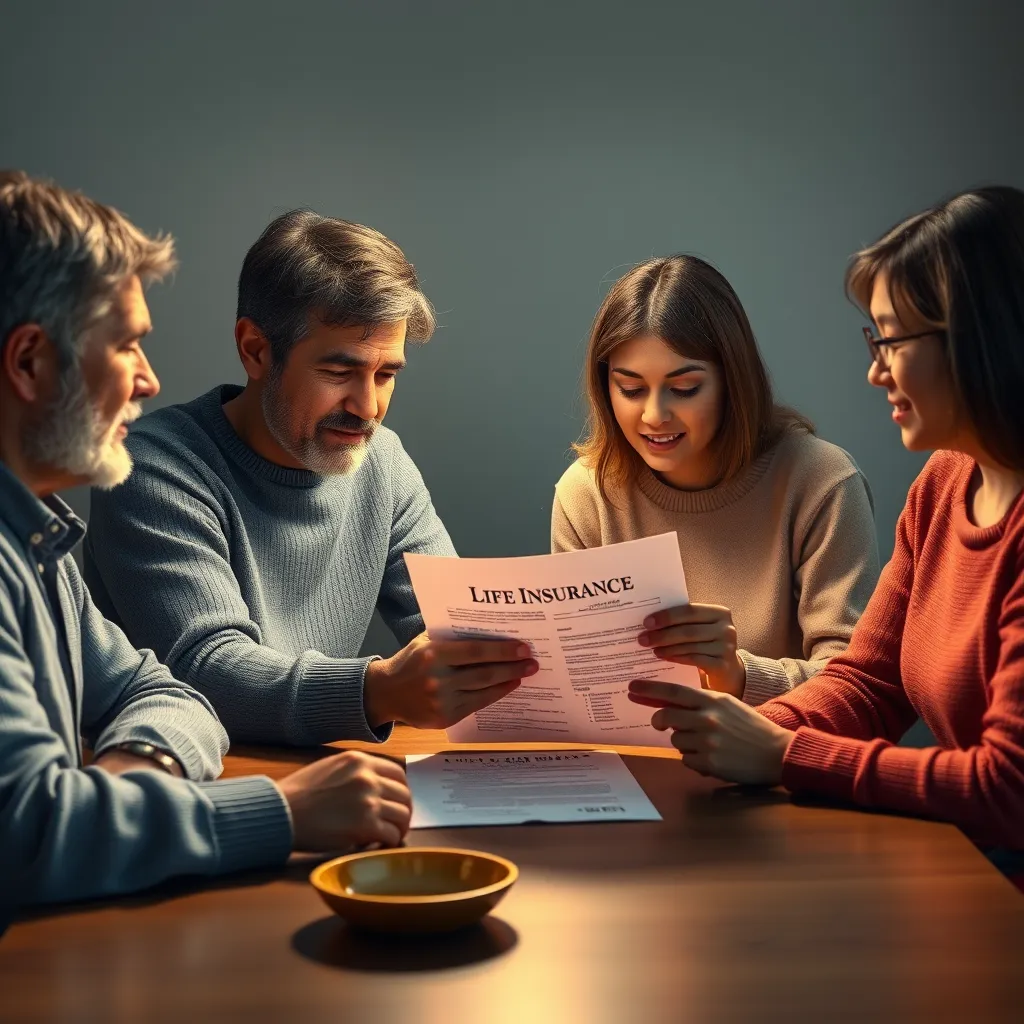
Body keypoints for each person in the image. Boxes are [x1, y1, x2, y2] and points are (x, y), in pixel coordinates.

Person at [0, 171, 414, 909]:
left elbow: (158, 688)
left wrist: (132, 781)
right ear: (29, 362)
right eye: (127, 345)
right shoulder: (137, 475)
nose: (149, 380)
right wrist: (282, 814)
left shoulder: (40, 536)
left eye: (387, 374)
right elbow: (33, 835)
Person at [628, 187, 1024, 868]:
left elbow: (1008, 789)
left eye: (892, 341)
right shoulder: (945, 483)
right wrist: (740, 734)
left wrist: (784, 754)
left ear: (978, 338)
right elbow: (871, 683)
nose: (875, 371)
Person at [84, 209, 537, 746]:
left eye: (386, 374)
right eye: (339, 372)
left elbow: (452, 625)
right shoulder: (152, 467)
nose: (367, 408)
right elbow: (203, 670)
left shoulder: (382, 462)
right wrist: (379, 690)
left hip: (324, 775)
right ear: (255, 350)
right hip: (178, 785)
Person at [552, 255, 879, 705]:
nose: (653, 415)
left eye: (684, 389)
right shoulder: (586, 494)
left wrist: (738, 675)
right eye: (629, 389)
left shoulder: (821, 482)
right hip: (631, 768)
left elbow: (855, 689)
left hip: (776, 770)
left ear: (732, 380)